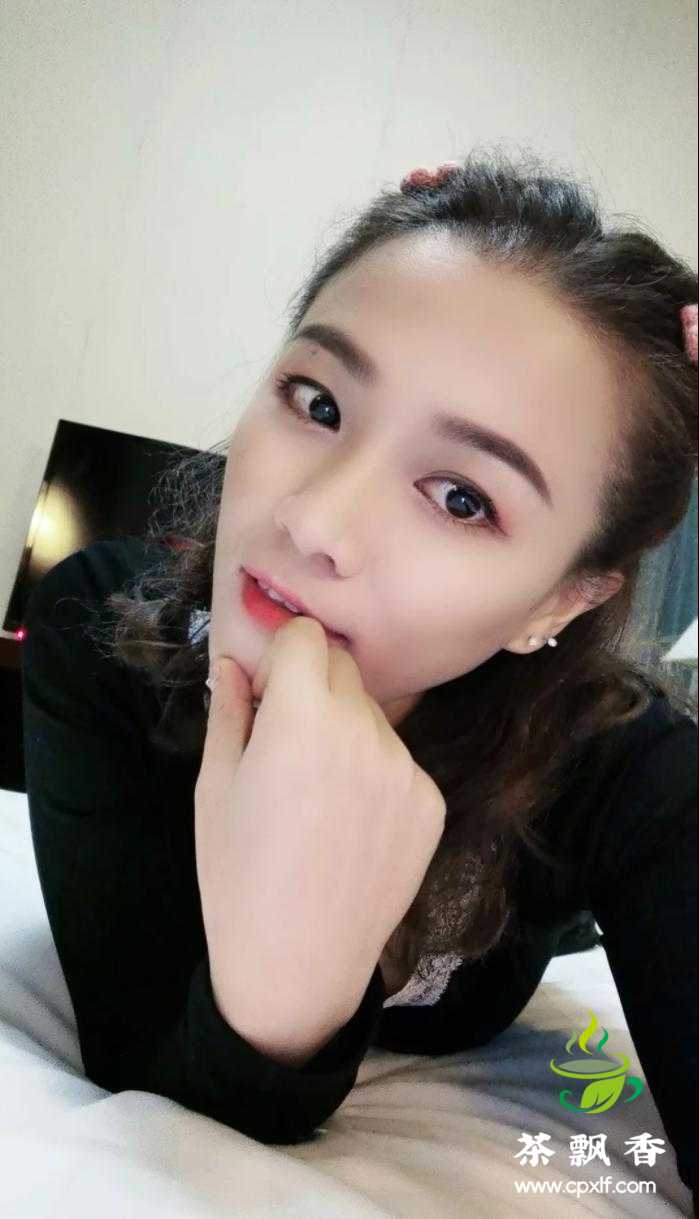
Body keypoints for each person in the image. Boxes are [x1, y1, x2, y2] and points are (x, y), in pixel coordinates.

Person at [22, 147, 697, 1209]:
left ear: (560, 603)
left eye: (462, 498)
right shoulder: (102, 633)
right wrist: (281, 1002)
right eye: (318, 402)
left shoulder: (625, 760)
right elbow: (148, 1066)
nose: (312, 519)